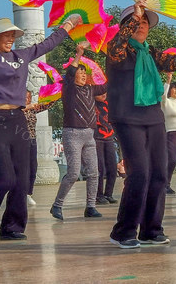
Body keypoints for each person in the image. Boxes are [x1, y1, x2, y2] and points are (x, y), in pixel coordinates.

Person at [0, 0, 78, 240]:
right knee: (4, 178)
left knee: (20, 180)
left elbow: (47, 44)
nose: (9, 38)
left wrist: (67, 27)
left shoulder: (21, 56)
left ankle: (13, 228)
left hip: (17, 119)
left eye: (12, 34)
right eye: (4, 35)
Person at [106, 1, 176, 248]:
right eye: (136, 22)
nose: (141, 26)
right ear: (126, 25)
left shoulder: (150, 52)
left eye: (144, 23)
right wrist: (133, 17)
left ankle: (151, 230)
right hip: (126, 117)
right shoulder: (117, 50)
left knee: (160, 173)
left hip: (153, 117)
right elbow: (117, 45)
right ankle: (124, 231)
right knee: (139, 173)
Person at [51, 44, 108, 220]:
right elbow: (69, 74)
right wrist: (79, 55)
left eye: (85, 72)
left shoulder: (90, 89)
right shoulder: (69, 89)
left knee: (93, 172)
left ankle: (90, 207)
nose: (83, 75)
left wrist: (113, 59)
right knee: (74, 173)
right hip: (72, 134)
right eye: (80, 72)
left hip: (89, 135)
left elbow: (107, 85)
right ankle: (57, 205)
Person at [22, 91, 55, 206]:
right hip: (20, 141)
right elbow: (13, 112)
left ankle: (28, 193)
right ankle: (20, 193)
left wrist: (55, 95)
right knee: (23, 168)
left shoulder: (32, 109)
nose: (27, 99)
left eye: (29, 97)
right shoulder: (16, 109)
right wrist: (27, 107)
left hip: (32, 140)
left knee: (33, 167)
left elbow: (45, 105)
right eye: (25, 97)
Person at [94, 93, 120, 202]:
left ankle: (108, 194)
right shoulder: (91, 104)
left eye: (104, 92)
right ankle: (98, 195)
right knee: (100, 168)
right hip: (96, 138)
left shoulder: (109, 104)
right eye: (99, 92)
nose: (103, 94)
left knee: (112, 167)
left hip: (109, 138)